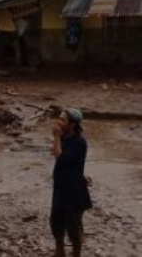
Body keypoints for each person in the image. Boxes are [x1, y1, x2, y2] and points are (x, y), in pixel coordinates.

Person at [51, 108, 92, 257]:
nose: (59, 122)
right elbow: (68, 162)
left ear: (72, 124)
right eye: (59, 118)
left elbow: (59, 157)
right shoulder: (65, 137)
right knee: (56, 221)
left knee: (73, 226)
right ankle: (59, 251)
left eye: (63, 120)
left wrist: (56, 136)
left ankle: (76, 254)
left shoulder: (80, 142)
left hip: (73, 191)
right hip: (61, 187)